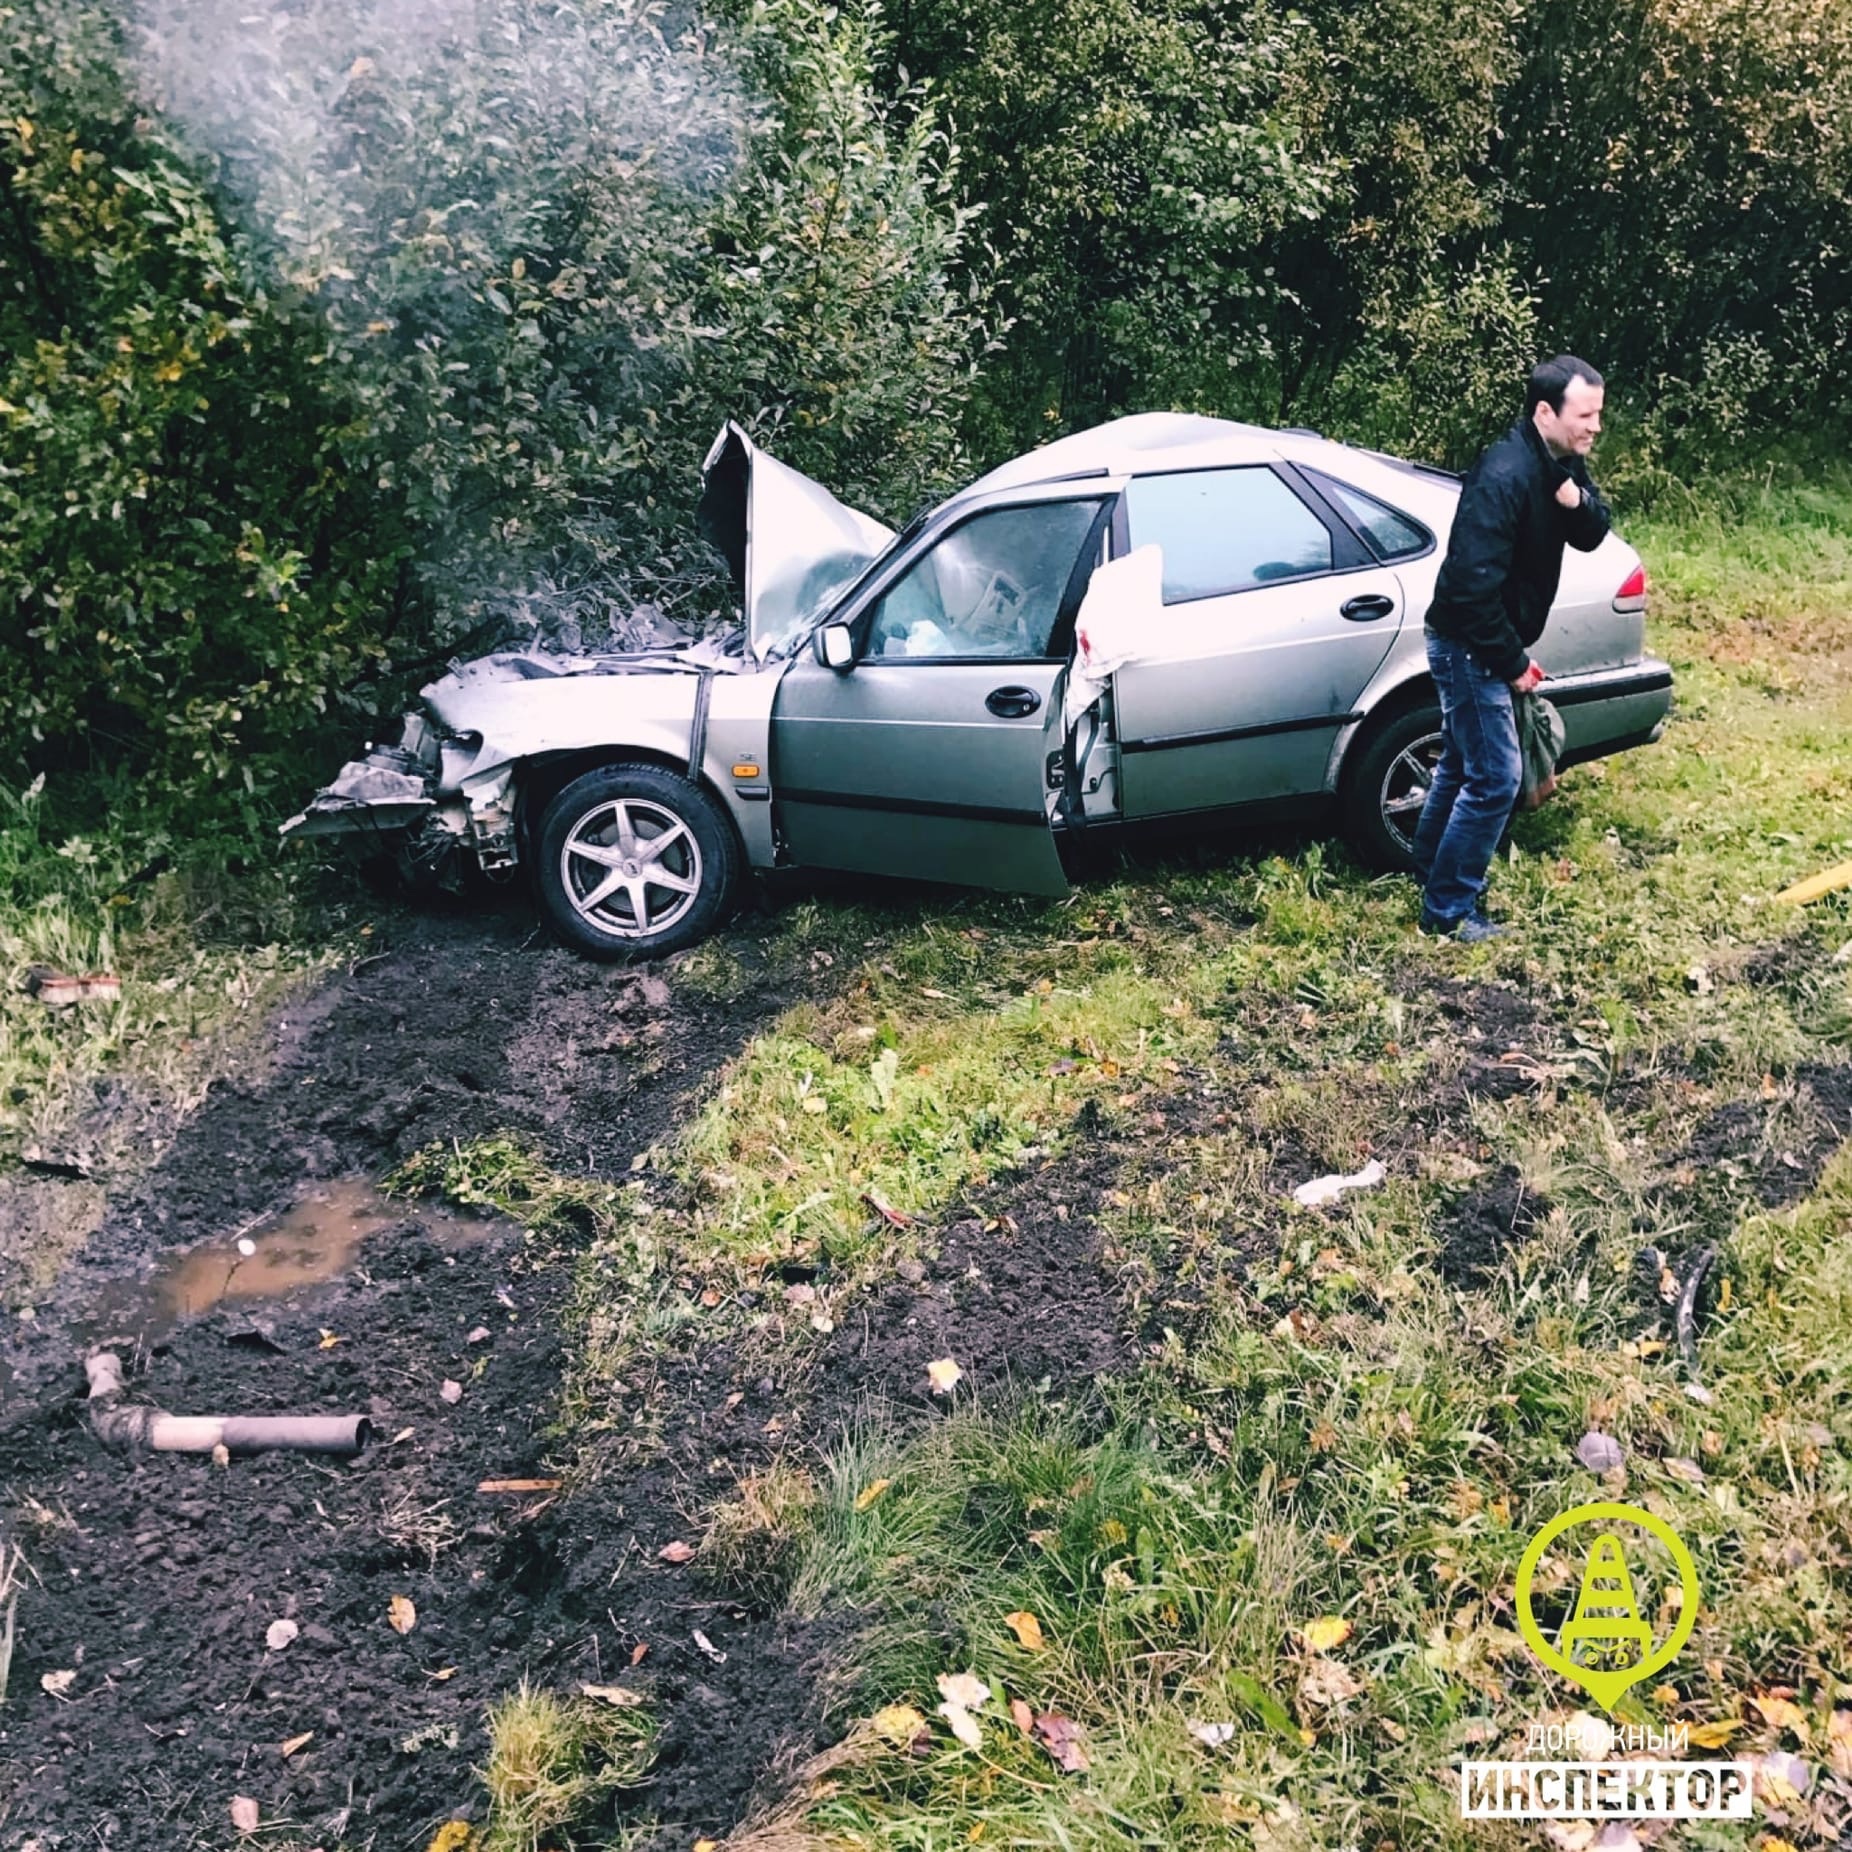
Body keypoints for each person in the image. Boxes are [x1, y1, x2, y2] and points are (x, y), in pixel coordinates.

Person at [1413, 355, 1612, 940]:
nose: (1595, 426)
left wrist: (1578, 503)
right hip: (1467, 642)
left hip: (1484, 639)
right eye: (1585, 414)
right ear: (1545, 411)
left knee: (1459, 761)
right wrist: (1514, 663)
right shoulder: (1504, 476)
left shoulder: (1561, 462)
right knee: (1496, 777)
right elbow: (1467, 589)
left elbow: (1595, 532)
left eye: (1599, 414)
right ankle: (1447, 910)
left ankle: (1430, 867)